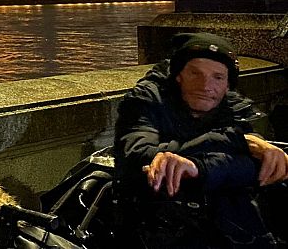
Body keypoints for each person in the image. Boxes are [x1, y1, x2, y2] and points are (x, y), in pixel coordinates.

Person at [113, 32, 288, 248]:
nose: (206, 86)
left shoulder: (234, 109)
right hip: (155, 227)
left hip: (226, 227)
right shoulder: (147, 101)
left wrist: (198, 167)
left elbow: (252, 167)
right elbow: (137, 155)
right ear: (178, 76)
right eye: (195, 73)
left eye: (217, 77)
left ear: (227, 86)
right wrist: (229, 142)